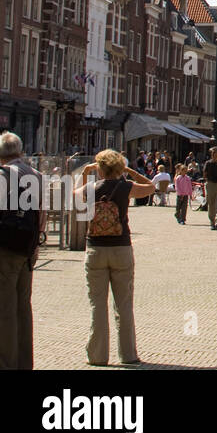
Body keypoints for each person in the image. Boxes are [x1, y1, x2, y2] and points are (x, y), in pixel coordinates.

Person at [75, 149, 156, 366]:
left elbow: (75, 194)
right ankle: (128, 355)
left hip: (95, 250)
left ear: (100, 168)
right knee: (124, 304)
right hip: (121, 248)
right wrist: (129, 171)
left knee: (98, 305)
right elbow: (151, 186)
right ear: (119, 168)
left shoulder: (91, 188)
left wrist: (85, 173)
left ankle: (98, 356)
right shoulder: (125, 187)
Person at [0, 132, 47, 370]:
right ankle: (25, 364)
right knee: (23, 309)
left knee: (3, 310)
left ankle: (6, 365)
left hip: (3, 251)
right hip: (27, 251)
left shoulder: (0, 176)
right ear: (21, 152)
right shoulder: (36, 176)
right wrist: (34, 246)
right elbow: (41, 216)